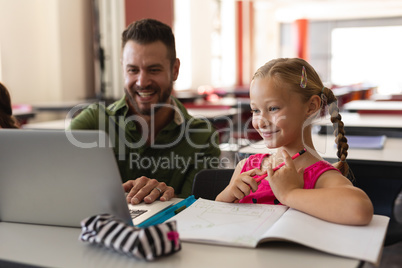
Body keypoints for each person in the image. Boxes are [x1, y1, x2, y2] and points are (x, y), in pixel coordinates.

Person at [69, 19, 220, 204]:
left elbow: (196, 211)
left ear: (174, 70)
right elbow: (59, 183)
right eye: (133, 70)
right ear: (123, 69)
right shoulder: (92, 123)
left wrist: (165, 197)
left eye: (153, 69)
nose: (142, 81)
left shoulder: (202, 138)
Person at [216, 58, 373, 225]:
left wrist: (289, 194)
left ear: (311, 106)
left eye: (273, 108)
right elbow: (217, 217)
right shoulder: (246, 167)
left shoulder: (320, 177)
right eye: (255, 110)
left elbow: (359, 210)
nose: (261, 122)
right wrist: (227, 195)